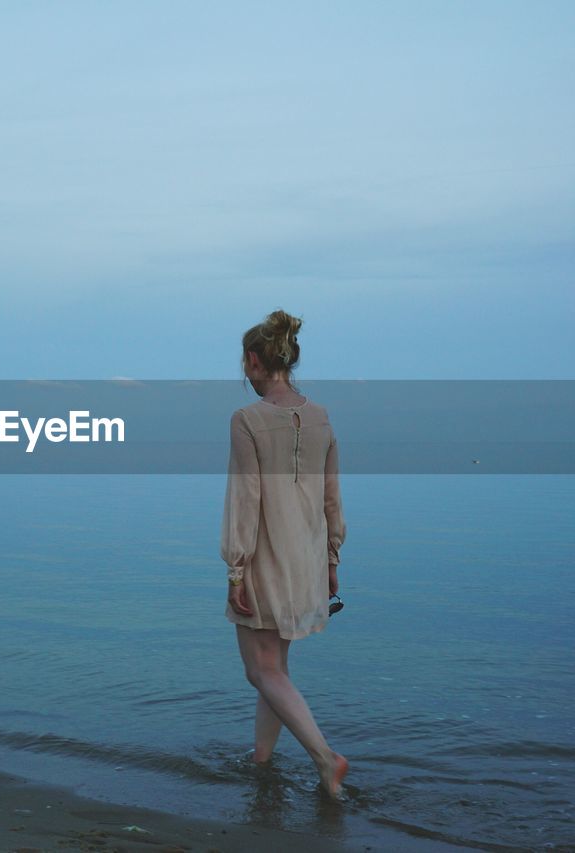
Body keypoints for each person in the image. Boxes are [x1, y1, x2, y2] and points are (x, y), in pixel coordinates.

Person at [220, 308, 349, 800]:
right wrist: (333, 558)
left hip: (264, 556)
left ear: (254, 361)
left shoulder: (247, 419)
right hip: (309, 555)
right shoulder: (321, 418)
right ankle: (262, 763)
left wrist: (236, 569)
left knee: (261, 669)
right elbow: (331, 495)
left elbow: (246, 497)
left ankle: (326, 758)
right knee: (277, 668)